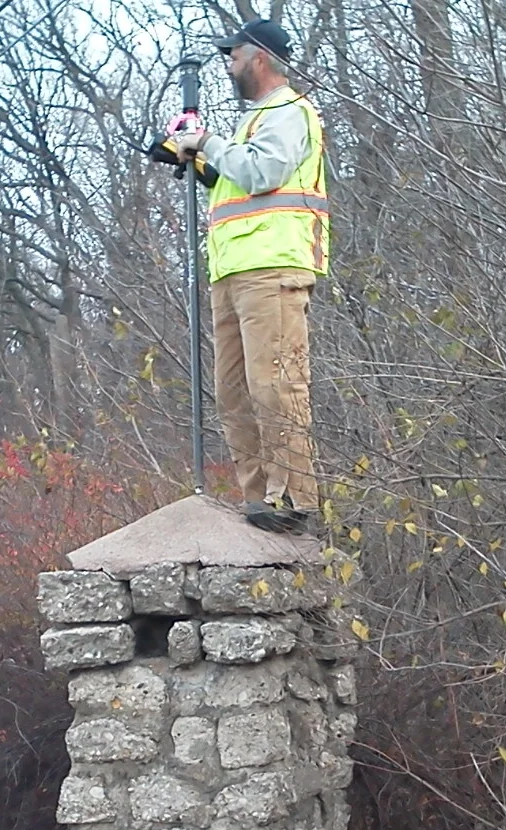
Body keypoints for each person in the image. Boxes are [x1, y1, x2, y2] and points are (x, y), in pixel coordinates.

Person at [169, 17, 329, 534]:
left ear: (259, 57)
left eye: (233, 55)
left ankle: (294, 498)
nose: (228, 64)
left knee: (275, 384)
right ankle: (259, 498)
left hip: (274, 268)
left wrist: (209, 142)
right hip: (232, 269)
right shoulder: (252, 122)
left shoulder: (289, 113)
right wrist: (193, 158)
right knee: (234, 390)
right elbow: (237, 180)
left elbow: (264, 174)